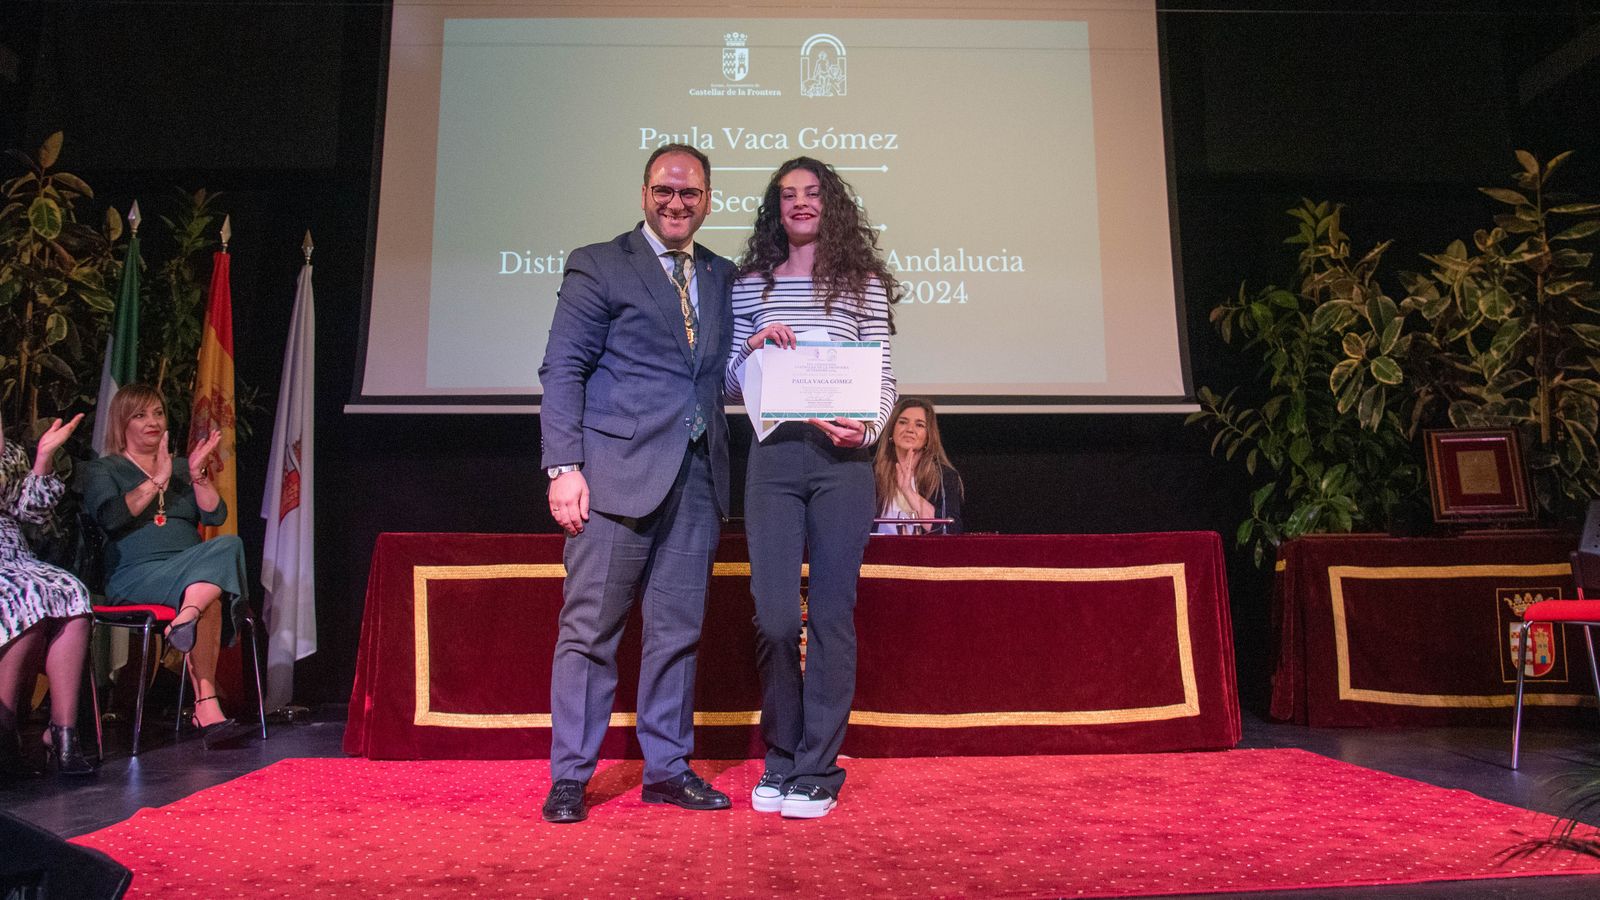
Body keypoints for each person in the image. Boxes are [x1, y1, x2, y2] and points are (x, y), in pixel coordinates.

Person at [537, 143, 736, 824]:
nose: (676, 203)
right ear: (644, 192)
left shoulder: (721, 273)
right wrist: (564, 468)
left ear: (708, 199)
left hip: (698, 482)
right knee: (590, 634)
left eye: (690, 193)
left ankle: (668, 769)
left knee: (677, 633)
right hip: (613, 481)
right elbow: (562, 369)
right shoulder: (599, 263)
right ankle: (571, 776)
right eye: (664, 190)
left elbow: (714, 374)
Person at [724, 156, 898, 819]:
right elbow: (728, 383)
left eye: (812, 193)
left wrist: (868, 428)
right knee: (773, 617)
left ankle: (817, 767)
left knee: (829, 616)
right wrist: (754, 349)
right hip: (773, 462)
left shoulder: (864, 285)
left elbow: (883, 377)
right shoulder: (750, 285)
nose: (800, 202)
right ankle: (783, 753)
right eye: (788, 194)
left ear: (832, 204)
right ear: (776, 207)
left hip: (842, 466)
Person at [80, 384, 252, 749]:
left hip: (187, 573)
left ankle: (188, 632)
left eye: (158, 413)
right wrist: (156, 480)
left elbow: (214, 513)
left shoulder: (181, 468)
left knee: (227, 549)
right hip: (135, 576)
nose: (152, 422)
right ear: (122, 423)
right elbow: (110, 518)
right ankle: (202, 688)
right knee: (211, 589)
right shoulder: (102, 469)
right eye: (140, 415)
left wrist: (197, 475)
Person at [0, 411, 95, 777]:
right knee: (26, 598)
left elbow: (31, 514)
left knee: (71, 591)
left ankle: (63, 734)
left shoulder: (10, 453)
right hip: (11, 575)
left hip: (13, 552)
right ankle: (5, 734)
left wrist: (43, 458)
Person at [873, 397, 963, 534]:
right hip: (877, 553)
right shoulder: (871, 473)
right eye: (903, 422)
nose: (910, 429)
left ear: (928, 437)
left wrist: (908, 491)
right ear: (891, 431)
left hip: (926, 554)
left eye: (919, 425)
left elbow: (950, 530)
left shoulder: (944, 477)